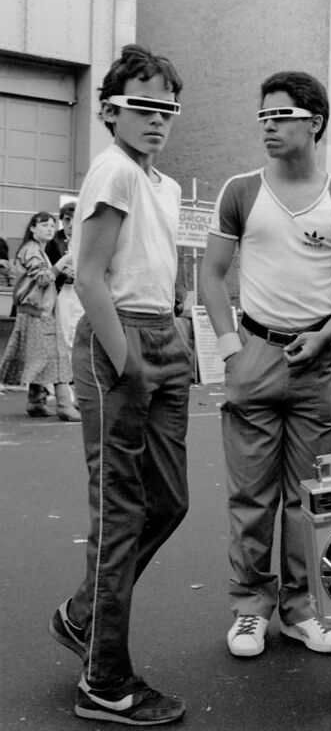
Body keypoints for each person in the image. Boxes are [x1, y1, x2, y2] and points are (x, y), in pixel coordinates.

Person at [201, 71, 331, 659]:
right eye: (264, 117)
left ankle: (302, 609)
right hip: (254, 352)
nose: (268, 127)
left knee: (308, 497)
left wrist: (327, 335)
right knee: (251, 497)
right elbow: (212, 275)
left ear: (314, 122)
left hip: (316, 363)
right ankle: (250, 608)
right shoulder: (240, 191)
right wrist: (231, 348)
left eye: (281, 116)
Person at [48, 44, 191, 725]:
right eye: (143, 106)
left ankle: (84, 613)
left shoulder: (163, 184)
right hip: (120, 340)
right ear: (109, 111)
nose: (157, 118)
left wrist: (172, 336)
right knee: (121, 512)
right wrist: (126, 359)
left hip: (162, 333)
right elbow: (89, 275)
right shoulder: (114, 170)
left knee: (168, 501)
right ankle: (104, 681)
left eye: (168, 108)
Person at [0, 212, 79, 420]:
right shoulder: (32, 250)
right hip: (37, 313)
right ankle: (64, 404)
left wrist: (60, 270)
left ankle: (36, 402)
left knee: (40, 358)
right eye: (44, 224)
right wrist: (64, 262)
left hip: (34, 312)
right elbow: (43, 278)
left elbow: (42, 277)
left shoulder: (34, 250)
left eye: (52, 225)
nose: (50, 228)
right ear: (33, 228)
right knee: (57, 357)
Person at [53, 201, 85, 350]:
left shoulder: (86, 240)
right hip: (62, 291)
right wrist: (61, 271)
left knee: (79, 331)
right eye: (67, 219)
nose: (71, 224)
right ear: (61, 220)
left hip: (81, 291)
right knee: (63, 332)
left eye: (75, 219)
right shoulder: (53, 241)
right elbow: (47, 270)